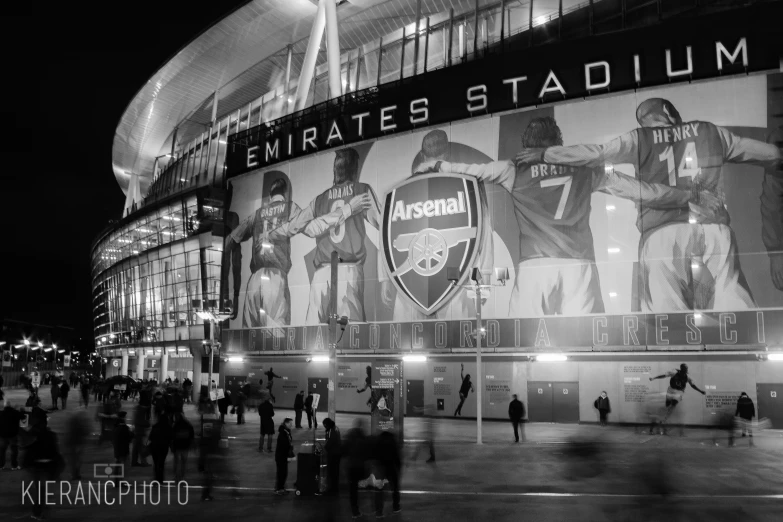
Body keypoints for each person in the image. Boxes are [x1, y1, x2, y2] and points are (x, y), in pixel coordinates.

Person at [415, 116, 705, 316]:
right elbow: (638, 190)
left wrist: (437, 165)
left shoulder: (512, 168)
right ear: (557, 144)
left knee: (523, 341)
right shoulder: (587, 170)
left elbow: (473, 170)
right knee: (584, 342)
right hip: (579, 265)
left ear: (527, 144)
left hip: (534, 267)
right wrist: (687, 196)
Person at [515, 99, 782, 312]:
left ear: (648, 120)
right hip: (713, 229)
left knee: (666, 315)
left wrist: (546, 154)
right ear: (668, 111)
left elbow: (597, 153)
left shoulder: (639, 138)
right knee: (732, 301)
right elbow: (772, 156)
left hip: (661, 234)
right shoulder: (711, 131)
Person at [649, 363, 706, 434]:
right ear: (681, 369)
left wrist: (700, 391)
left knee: (674, 403)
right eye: (684, 370)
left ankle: (664, 420)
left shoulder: (687, 378)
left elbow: (693, 385)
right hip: (670, 390)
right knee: (667, 406)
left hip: (679, 392)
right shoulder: (674, 373)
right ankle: (663, 419)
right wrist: (654, 378)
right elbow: (663, 375)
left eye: (686, 370)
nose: (685, 371)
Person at [344, 418, 368, 518]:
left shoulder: (349, 436)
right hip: (360, 466)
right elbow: (367, 452)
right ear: (361, 426)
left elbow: (344, 449)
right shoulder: (363, 437)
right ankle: (360, 509)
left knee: (353, 489)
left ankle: (355, 510)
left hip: (351, 466)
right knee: (362, 487)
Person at [374, 430, 401, 517]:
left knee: (380, 490)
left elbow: (375, 455)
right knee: (395, 488)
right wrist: (398, 467)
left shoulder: (378, 442)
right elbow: (396, 456)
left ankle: (379, 511)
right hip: (391, 467)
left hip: (381, 468)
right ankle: (396, 507)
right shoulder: (392, 441)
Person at [148, 415, 173, 482]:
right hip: (163, 447)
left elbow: (150, 437)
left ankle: (156, 477)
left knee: (156, 463)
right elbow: (171, 438)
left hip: (154, 447)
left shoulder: (155, 426)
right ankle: (160, 478)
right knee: (161, 463)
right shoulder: (168, 427)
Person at [0, 402, 24, 470]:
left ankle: (1, 466)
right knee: (14, 451)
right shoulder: (15, 412)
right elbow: (23, 417)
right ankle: (14, 466)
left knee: (2, 451)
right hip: (13, 435)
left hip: (2, 435)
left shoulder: (1, 413)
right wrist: (22, 411)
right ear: (11, 406)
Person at [171, 412, 195, 481]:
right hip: (185, 446)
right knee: (183, 462)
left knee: (176, 462)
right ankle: (182, 476)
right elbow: (191, 436)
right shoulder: (188, 425)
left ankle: (176, 476)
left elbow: (172, 436)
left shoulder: (175, 425)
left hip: (177, 447)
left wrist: (172, 446)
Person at [274, 418, 295, 495]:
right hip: (281, 456)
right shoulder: (283, 433)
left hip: (283, 456)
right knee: (281, 473)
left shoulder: (287, 432)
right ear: (286, 423)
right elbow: (284, 446)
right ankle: (278, 489)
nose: (291, 425)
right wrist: (288, 456)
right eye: (290, 423)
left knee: (284, 473)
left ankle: (281, 488)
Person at [322, 418, 342, 495]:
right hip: (337, 453)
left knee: (332, 471)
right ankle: (334, 488)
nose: (324, 427)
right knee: (335, 472)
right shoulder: (335, 428)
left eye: (325, 425)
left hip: (334, 454)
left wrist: (325, 448)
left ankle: (333, 488)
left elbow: (330, 441)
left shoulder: (331, 430)